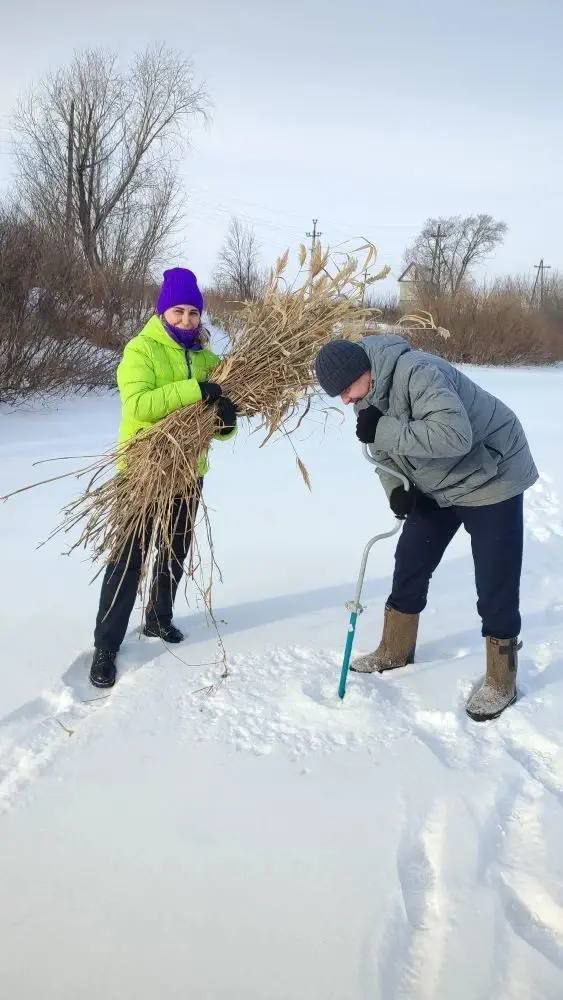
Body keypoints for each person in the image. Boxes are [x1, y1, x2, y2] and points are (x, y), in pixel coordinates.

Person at [314, 333, 538, 721]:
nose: (346, 400)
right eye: (340, 395)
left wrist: (381, 430)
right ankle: (395, 649)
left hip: (492, 475)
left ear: (363, 371)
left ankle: (502, 678)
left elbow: (454, 435)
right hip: (439, 482)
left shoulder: (419, 372)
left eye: (346, 389)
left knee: (494, 577)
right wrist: (397, 490)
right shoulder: (366, 396)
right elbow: (381, 451)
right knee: (411, 558)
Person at [89, 267, 237, 689]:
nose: (187, 320)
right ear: (162, 312)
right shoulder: (141, 350)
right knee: (128, 558)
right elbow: (139, 404)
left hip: (188, 473)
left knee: (174, 550)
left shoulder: (209, 360)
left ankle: (158, 618)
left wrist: (226, 419)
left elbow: (217, 427)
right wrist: (196, 391)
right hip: (142, 473)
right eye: (179, 311)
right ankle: (106, 646)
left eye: (193, 312)